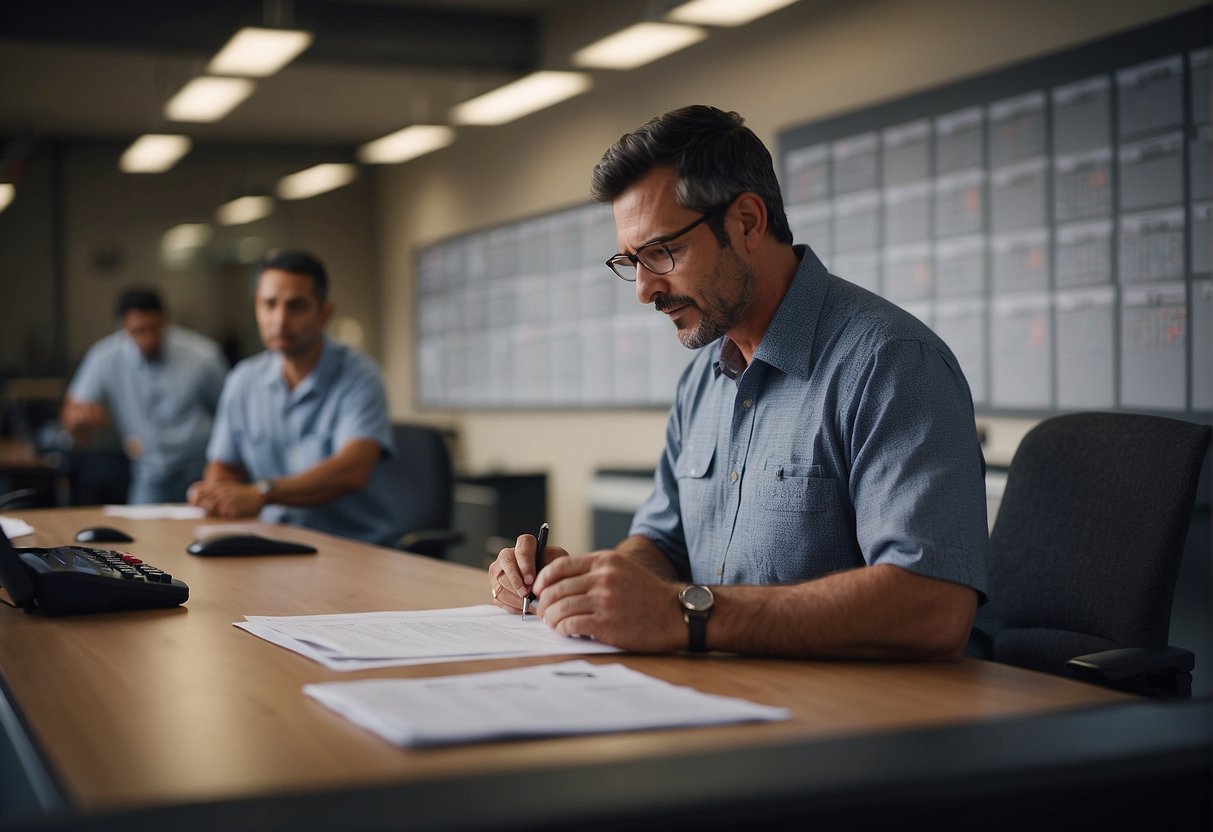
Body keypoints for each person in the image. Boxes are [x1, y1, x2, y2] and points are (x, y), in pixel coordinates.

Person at [490, 105, 989, 660]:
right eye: (632, 261)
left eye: (661, 252)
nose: (644, 290)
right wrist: (587, 585)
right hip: (719, 695)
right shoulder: (702, 381)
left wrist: (687, 615)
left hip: (845, 721)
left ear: (748, 222)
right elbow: (662, 545)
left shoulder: (892, 364)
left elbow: (934, 605)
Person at [187, 250, 402, 546]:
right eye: (269, 304)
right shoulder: (243, 380)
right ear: (256, 307)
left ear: (324, 313)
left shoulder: (360, 376)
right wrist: (219, 493)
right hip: (272, 543)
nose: (280, 319)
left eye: (296, 306)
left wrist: (262, 492)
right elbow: (223, 467)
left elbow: (352, 470)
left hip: (354, 550)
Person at [61, 287, 228, 504]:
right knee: (143, 534)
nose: (148, 339)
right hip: (150, 473)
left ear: (165, 320)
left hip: (201, 471)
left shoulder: (203, 356)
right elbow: (69, 414)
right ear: (123, 327)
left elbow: (230, 414)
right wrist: (79, 416)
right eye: (139, 331)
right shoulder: (104, 357)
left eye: (155, 329)